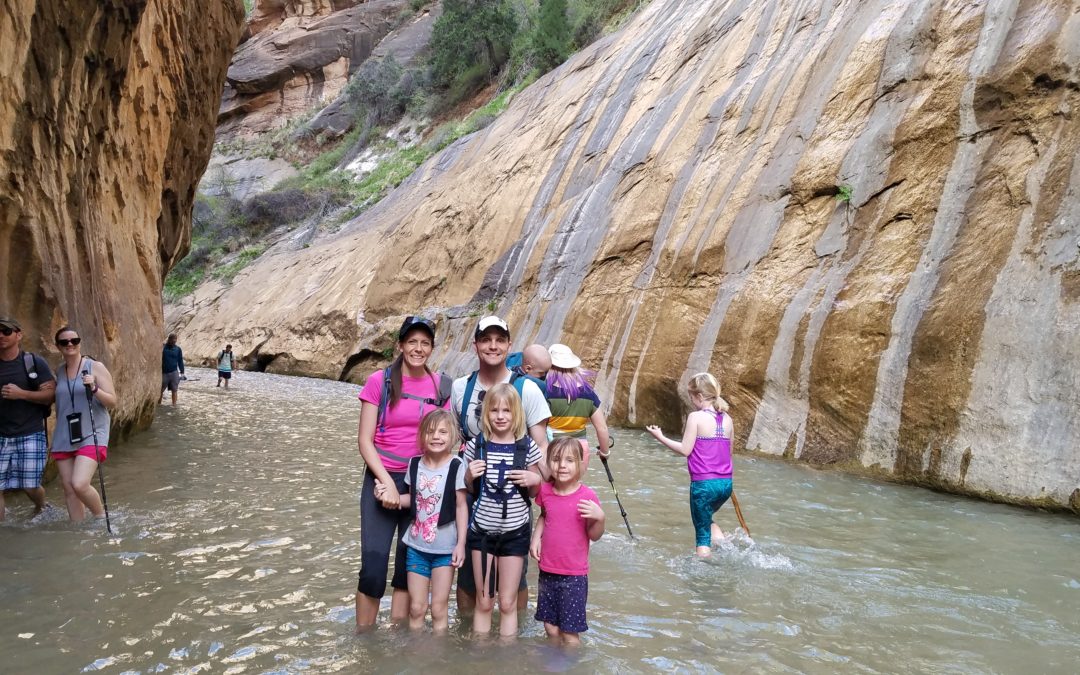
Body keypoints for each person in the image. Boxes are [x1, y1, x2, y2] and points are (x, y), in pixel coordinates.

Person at [355, 316, 453, 630]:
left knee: (406, 568)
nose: (418, 348)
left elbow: (445, 439)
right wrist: (386, 483)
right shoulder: (379, 381)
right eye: (412, 341)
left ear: (432, 348)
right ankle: (364, 640)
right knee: (373, 566)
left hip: (423, 483)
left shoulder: (442, 386)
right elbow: (364, 440)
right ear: (400, 345)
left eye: (425, 343)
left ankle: (396, 643)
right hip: (381, 479)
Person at [452, 316, 551, 614]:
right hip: (473, 497)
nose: (492, 346)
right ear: (476, 345)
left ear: (509, 345)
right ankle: (469, 636)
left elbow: (542, 447)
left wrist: (540, 488)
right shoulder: (461, 388)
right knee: (468, 574)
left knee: (516, 577)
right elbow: (458, 443)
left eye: (499, 340)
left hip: (515, 499)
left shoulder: (528, 389)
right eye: (486, 339)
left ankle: (514, 638)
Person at [376, 409, 467, 633]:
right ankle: (416, 655)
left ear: (453, 436)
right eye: (431, 431)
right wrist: (387, 496)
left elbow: (461, 505)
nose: (436, 436)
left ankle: (437, 656)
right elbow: (414, 500)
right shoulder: (415, 464)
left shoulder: (456, 465)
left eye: (443, 432)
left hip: (445, 549)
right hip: (416, 546)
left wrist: (461, 544)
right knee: (416, 608)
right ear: (422, 436)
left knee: (438, 608)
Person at [462, 383, 542, 637]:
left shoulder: (527, 447)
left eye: (506, 411)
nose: (500, 416)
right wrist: (468, 476)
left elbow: (536, 491)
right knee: (484, 601)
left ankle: (507, 658)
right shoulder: (477, 446)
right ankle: (480, 656)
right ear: (486, 413)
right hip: (482, 533)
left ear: (516, 414)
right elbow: (466, 489)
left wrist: (534, 481)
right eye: (494, 410)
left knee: (508, 603)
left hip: (515, 532)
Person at [645, 372, 733, 557]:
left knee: (701, 534)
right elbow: (728, 453)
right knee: (706, 518)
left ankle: (702, 575)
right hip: (725, 484)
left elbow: (685, 450)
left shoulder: (696, 417)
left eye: (692, 397)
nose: (692, 402)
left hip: (703, 485)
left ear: (700, 396)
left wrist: (660, 437)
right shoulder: (727, 419)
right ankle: (724, 546)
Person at [530, 437, 605, 646]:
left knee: (570, 633)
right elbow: (545, 515)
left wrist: (600, 517)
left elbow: (594, 535)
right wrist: (536, 539)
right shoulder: (545, 491)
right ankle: (553, 662)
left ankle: (571, 665)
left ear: (581, 464)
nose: (562, 465)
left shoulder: (587, 496)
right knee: (550, 627)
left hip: (573, 576)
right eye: (556, 459)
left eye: (569, 460)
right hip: (547, 571)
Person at [51, 326, 117, 521]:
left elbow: (112, 401)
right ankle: (77, 531)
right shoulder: (60, 372)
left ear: (80, 343)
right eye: (64, 342)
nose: (70, 344)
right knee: (70, 489)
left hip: (93, 432)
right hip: (65, 434)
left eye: (74, 341)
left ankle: (100, 517)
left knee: (79, 483)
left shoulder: (95, 367)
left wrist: (94, 388)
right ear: (58, 346)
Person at [0, 316, 55, 521]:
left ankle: (42, 507)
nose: (1, 335)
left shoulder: (33, 363)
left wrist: (21, 394)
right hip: (0, 435)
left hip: (30, 433)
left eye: (6, 331)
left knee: (29, 485)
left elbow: (50, 395)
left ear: (18, 335)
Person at [545, 344, 611, 473]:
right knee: (574, 489)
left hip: (552, 446)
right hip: (579, 448)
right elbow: (601, 427)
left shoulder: (546, 390)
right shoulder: (588, 393)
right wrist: (605, 452)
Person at [161, 334, 185, 405]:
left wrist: (182, 372)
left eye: (175, 340)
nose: (174, 341)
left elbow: (180, 361)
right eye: (172, 340)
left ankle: (174, 406)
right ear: (169, 339)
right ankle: (159, 404)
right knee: (160, 390)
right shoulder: (163, 348)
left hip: (174, 372)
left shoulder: (178, 349)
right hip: (164, 372)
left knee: (174, 390)